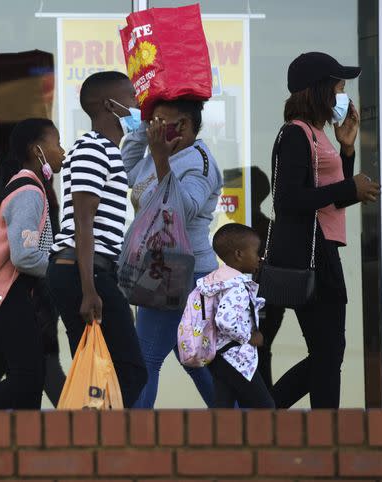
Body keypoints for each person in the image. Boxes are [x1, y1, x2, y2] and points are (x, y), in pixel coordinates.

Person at [268, 52, 381, 409]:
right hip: (310, 254)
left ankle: (266, 411)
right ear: (318, 91)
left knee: (329, 352)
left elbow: (329, 197)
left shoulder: (319, 135)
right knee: (329, 352)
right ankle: (273, 414)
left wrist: (347, 150)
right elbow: (288, 199)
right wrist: (350, 189)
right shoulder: (295, 134)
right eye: (338, 87)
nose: (343, 96)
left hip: (324, 249)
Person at [47, 71, 147, 407]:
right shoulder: (92, 148)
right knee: (129, 370)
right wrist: (89, 289)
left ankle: (95, 445)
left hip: (87, 269)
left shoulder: (108, 150)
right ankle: (101, 442)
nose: (138, 105)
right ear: (110, 105)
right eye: (132, 98)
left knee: (99, 371)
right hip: (81, 270)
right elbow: (83, 220)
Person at [121, 99, 224, 408]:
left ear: (183, 125)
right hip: (157, 266)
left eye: (160, 120)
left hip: (183, 271)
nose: (154, 126)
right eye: (151, 120)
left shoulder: (199, 162)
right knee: (193, 358)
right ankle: (237, 423)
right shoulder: (161, 150)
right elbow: (127, 172)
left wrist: (161, 159)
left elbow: (183, 209)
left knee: (145, 359)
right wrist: (143, 130)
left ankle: (132, 440)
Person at [0, 118, 65, 409]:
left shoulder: (25, 186)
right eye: (57, 143)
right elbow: (23, 256)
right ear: (38, 151)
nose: (63, 150)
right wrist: (59, 271)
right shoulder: (28, 192)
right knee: (28, 378)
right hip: (7, 297)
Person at [201, 223, 274, 408]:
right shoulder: (236, 287)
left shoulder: (220, 281)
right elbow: (225, 320)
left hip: (220, 356)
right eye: (257, 252)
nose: (260, 258)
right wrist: (250, 337)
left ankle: (221, 437)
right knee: (266, 408)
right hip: (236, 358)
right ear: (239, 255)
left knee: (223, 411)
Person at [248, 166, 286, 391]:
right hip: (266, 302)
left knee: (260, 354)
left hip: (265, 303)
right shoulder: (264, 226)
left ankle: (266, 410)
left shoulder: (264, 229)